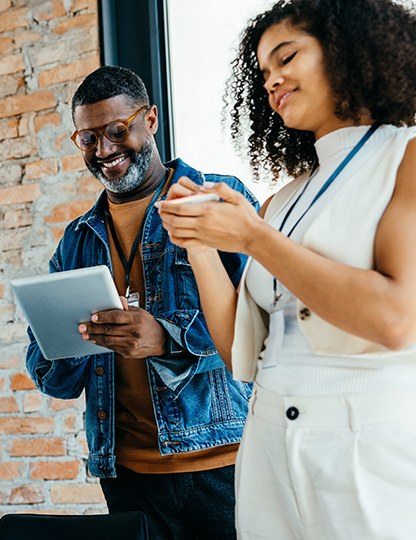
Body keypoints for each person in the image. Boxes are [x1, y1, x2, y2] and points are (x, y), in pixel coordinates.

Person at [158, 0, 416, 537]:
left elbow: (396, 318)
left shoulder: (404, 157)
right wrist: (201, 243)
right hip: (267, 439)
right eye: (263, 72)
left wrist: (250, 235)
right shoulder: (281, 202)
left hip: (363, 445)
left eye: (286, 57)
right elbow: (239, 354)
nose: (272, 79)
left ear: (347, 52)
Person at [25, 66, 257, 540]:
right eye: (88, 139)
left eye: (117, 130)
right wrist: (69, 344)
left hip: (224, 461)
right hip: (126, 473)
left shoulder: (214, 198)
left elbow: (264, 327)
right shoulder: (76, 240)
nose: (104, 150)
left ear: (150, 119)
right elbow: (50, 373)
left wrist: (167, 341)